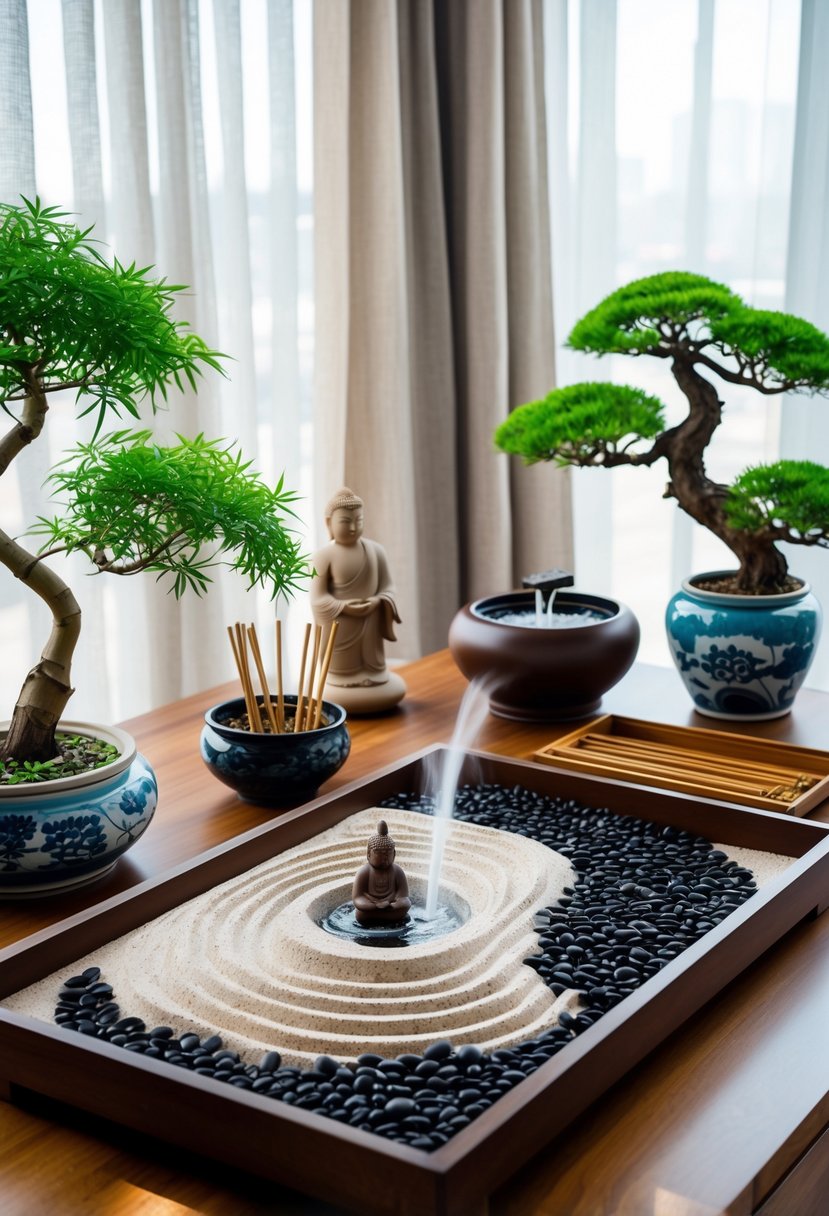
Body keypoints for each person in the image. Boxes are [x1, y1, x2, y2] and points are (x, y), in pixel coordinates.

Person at [310, 488, 406, 713]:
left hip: (371, 622)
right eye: (345, 521)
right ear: (329, 523)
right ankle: (342, 677)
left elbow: (388, 587)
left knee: (374, 665)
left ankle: (373, 676)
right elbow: (317, 597)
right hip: (341, 626)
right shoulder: (323, 556)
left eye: (358, 520)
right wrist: (343, 606)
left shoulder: (376, 551)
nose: (353, 527)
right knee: (340, 668)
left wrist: (379, 601)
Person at [351, 820, 411, 926]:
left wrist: (392, 904)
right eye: (379, 853)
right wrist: (374, 905)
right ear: (369, 854)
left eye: (388, 853)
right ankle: (389, 917)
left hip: (391, 906)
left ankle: (389, 915)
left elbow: (403, 896)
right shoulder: (363, 872)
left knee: (405, 904)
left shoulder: (397, 871)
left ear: (394, 854)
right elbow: (357, 898)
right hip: (370, 910)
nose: (385, 857)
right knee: (362, 913)